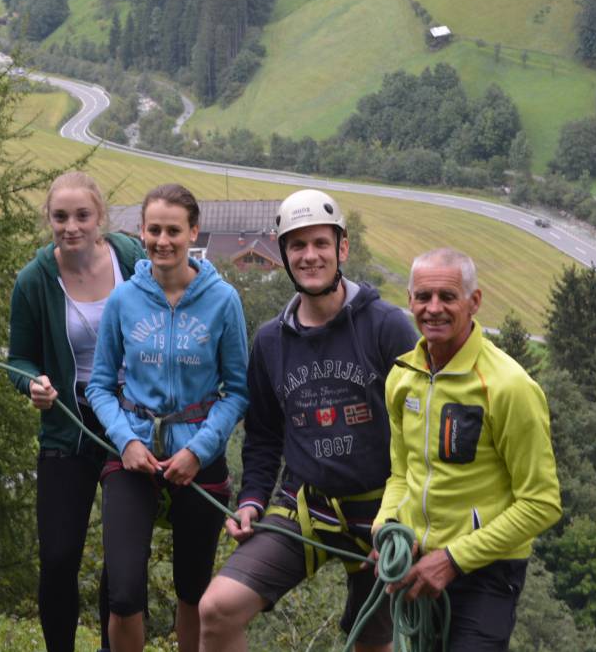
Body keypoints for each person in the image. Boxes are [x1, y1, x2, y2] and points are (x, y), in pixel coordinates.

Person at [198, 190, 417, 652]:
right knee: (216, 609)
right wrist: (253, 498)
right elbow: (263, 436)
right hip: (308, 507)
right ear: (283, 254)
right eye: (297, 246)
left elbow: (421, 432)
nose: (309, 255)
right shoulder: (272, 341)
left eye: (320, 243)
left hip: (384, 514)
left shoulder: (386, 327)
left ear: (343, 248)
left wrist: (410, 518)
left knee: (371, 646)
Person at [86, 183, 249, 652]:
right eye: (153, 229)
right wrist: (125, 440)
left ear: (193, 232)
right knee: (122, 593)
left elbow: (237, 391)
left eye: (173, 230)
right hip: (133, 449)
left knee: (193, 589)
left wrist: (199, 451)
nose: (163, 240)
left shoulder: (223, 301)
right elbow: (99, 385)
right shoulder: (123, 300)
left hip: (197, 454)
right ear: (140, 232)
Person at [373, 249, 561, 652]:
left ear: (474, 302)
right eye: (423, 297)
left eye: (448, 296)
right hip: (417, 565)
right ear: (408, 300)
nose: (433, 309)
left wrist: (453, 559)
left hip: (487, 574)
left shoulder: (509, 387)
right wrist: (386, 526)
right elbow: (401, 475)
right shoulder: (402, 378)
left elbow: (542, 503)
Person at [8, 171, 145, 652]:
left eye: (82, 216)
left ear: (100, 218)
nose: (71, 227)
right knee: (60, 557)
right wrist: (33, 383)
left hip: (130, 424)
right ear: (49, 218)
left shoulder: (131, 259)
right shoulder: (35, 280)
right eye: (60, 216)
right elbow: (18, 358)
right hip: (69, 426)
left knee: (121, 562)